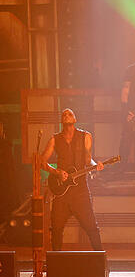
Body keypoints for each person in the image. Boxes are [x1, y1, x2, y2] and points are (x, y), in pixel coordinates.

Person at [40, 108, 104, 251]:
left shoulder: (85, 136)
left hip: (80, 191)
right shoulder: (54, 139)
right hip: (61, 192)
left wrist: (96, 165)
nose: (67, 115)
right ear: (61, 120)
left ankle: (102, 262)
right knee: (56, 229)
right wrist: (56, 172)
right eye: (64, 114)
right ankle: (56, 264)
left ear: (75, 119)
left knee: (92, 228)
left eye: (70, 114)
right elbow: (42, 162)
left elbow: (88, 160)